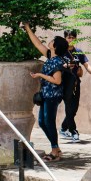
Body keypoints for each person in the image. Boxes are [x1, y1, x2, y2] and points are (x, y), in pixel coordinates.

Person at [22, 23, 71, 162]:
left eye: (52, 41)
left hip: (53, 96)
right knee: (43, 122)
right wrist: (28, 28)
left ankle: (55, 151)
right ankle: (56, 148)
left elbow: (57, 80)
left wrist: (39, 75)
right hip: (46, 95)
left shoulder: (57, 62)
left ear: (55, 46)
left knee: (48, 121)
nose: (49, 42)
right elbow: (37, 44)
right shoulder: (50, 56)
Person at [60, 29, 91, 143]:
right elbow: (57, 66)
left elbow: (86, 65)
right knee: (69, 108)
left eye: (73, 38)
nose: (71, 40)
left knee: (74, 109)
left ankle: (63, 128)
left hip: (76, 84)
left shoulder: (78, 52)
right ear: (65, 39)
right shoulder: (60, 52)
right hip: (64, 84)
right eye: (69, 38)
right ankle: (73, 132)